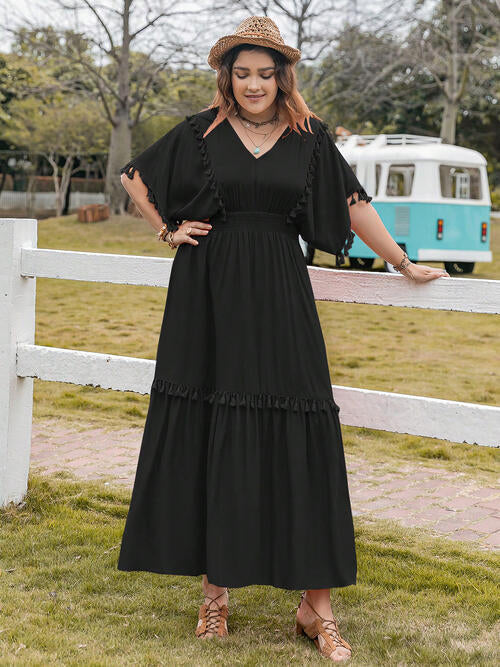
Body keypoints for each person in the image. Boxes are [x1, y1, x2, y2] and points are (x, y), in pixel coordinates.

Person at [118, 15, 449, 663]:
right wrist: (167, 230)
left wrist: (402, 262)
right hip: (207, 295)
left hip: (279, 290)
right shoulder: (201, 130)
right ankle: (215, 595)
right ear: (228, 76)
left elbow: (352, 203)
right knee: (214, 427)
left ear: (282, 77)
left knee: (303, 426)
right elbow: (135, 176)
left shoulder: (309, 136)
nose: (253, 85)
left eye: (264, 74)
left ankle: (315, 608)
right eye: (242, 73)